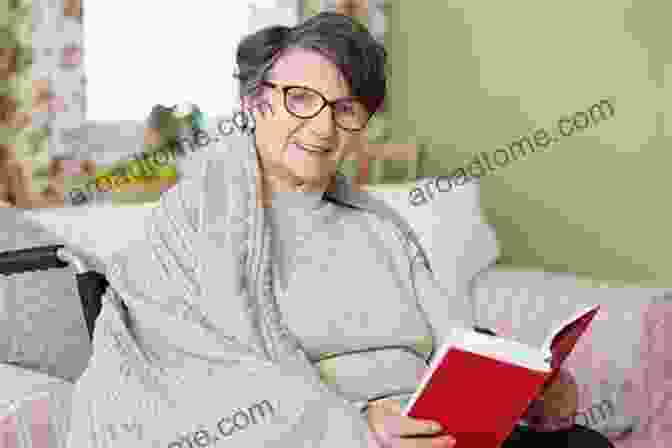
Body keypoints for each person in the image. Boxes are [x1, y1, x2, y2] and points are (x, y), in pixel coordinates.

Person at [4, 12, 614, 448]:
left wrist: (532, 397)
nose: (321, 128)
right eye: (300, 99)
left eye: (345, 108)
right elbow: (188, 376)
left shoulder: (383, 230)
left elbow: (456, 350)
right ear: (255, 104)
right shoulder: (193, 223)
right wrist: (355, 427)